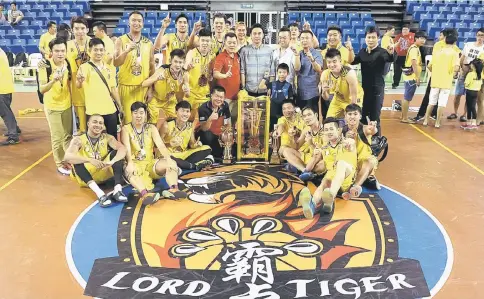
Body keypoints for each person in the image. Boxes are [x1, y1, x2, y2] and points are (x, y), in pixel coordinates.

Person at [122, 102, 187, 204]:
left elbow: (160, 145)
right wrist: (129, 162)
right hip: (135, 163)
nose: (138, 116)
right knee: (130, 171)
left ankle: (174, 189)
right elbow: (127, 148)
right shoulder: (126, 129)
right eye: (135, 113)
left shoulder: (151, 128)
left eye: (141, 113)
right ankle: (145, 194)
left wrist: (169, 159)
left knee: (171, 164)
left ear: (145, 114)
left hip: (150, 163)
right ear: (131, 114)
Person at [299, 117, 357, 217]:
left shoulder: (346, 142)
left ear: (338, 130)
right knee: (323, 183)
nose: (328, 132)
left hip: (347, 179)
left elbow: (351, 144)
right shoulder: (324, 148)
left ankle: (330, 196)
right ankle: (311, 206)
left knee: (341, 163)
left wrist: (350, 143)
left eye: (331, 129)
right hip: (332, 181)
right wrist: (314, 156)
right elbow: (307, 169)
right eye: (326, 130)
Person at [65, 115, 127, 207]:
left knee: (116, 153)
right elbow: (67, 157)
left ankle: (117, 190)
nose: (98, 125)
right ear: (88, 124)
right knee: (76, 160)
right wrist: (89, 160)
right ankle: (100, 194)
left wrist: (113, 161)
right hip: (87, 176)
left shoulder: (107, 137)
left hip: (103, 171)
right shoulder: (78, 139)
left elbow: (123, 149)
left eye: (100, 123)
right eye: (95, 122)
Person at [351, 26, 395, 133]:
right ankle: (363, 140)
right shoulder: (362, 52)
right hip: (364, 89)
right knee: (363, 116)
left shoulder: (382, 52)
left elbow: (389, 58)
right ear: (365, 38)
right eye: (369, 37)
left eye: (373, 37)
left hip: (377, 90)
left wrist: (391, 53)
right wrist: (350, 50)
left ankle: (377, 141)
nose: (370, 40)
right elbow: (352, 61)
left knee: (375, 118)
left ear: (378, 38)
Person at [38, 38, 73, 174]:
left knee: (67, 135)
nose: (60, 54)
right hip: (52, 106)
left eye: (63, 51)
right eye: (57, 51)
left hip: (67, 105)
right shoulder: (45, 65)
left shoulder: (68, 63)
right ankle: (60, 163)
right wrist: (53, 80)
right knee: (57, 137)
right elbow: (42, 89)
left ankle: (68, 158)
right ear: (51, 52)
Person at [114, 11, 155, 124]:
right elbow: (116, 63)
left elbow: (152, 66)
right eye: (133, 20)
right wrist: (126, 51)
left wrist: (151, 88)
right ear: (129, 23)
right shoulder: (120, 40)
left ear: (143, 23)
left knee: (142, 122)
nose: (136, 23)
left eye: (139, 21)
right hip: (126, 86)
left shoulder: (148, 43)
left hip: (143, 87)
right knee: (127, 122)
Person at [76, 38, 122, 138]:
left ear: (104, 51)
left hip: (110, 110)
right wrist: (79, 81)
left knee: (112, 138)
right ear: (89, 52)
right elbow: (78, 85)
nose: (99, 52)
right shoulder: (84, 67)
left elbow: (113, 89)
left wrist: (120, 106)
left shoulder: (109, 68)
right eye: (95, 50)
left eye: (101, 50)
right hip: (93, 112)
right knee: (94, 139)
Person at [412, 29, 461, 122]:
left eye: (441, 35)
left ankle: (434, 114)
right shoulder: (438, 45)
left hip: (445, 77)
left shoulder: (454, 48)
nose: (439, 37)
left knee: (440, 98)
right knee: (429, 95)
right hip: (437, 75)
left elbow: (456, 60)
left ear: (447, 36)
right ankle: (422, 114)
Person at [161, 101, 214, 170]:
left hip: (184, 154)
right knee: (166, 157)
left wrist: (196, 145)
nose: (185, 114)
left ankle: (184, 164)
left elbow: (191, 144)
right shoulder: (166, 125)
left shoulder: (190, 126)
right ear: (176, 112)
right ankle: (194, 165)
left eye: (187, 111)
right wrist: (169, 144)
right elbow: (156, 146)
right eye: (182, 111)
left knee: (207, 148)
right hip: (169, 154)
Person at [142, 49, 189, 126]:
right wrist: (156, 78)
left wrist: (187, 91)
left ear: (183, 63)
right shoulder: (162, 70)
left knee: (175, 122)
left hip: (169, 100)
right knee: (152, 124)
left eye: (180, 62)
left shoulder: (185, 74)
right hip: (156, 99)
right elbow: (144, 84)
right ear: (171, 61)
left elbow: (188, 94)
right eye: (175, 62)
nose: (178, 65)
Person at [423, 34, 460, 128]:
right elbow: (455, 68)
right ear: (455, 42)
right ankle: (437, 122)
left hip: (435, 80)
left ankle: (426, 120)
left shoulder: (437, 52)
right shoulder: (454, 53)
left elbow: (429, 66)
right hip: (446, 81)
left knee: (431, 101)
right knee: (442, 103)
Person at [281, 106, 326, 181]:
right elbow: (296, 147)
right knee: (286, 150)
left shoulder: (325, 130)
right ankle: (304, 171)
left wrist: (311, 144)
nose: (307, 118)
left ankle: (300, 169)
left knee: (323, 165)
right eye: (304, 116)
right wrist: (294, 137)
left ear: (316, 115)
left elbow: (323, 154)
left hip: (320, 159)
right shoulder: (306, 130)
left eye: (309, 115)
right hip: (309, 158)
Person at [343, 104, 380, 197]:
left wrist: (373, 127)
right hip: (350, 163)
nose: (352, 116)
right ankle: (367, 178)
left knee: (369, 161)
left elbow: (372, 130)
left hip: (363, 161)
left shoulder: (364, 129)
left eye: (355, 114)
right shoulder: (342, 131)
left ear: (360, 116)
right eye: (349, 114)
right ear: (345, 116)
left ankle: (355, 187)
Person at [448, 28, 484, 121]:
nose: (480, 37)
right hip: (464, 71)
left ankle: (464, 114)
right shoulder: (468, 45)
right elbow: (462, 57)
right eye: (479, 35)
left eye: (482, 35)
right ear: (476, 35)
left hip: (474, 75)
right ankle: (455, 112)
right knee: (458, 94)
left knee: (469, 96)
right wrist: (459, 69)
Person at [63, 17, 91, 134]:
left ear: (87, 29)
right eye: (77, 28)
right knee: (79, 108)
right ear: (72, 30)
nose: (80, 31)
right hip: (74, 82)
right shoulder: (66, 45)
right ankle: (82, 130)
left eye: (82, 28)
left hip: (91, 81)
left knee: (92, 108)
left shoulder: (93, 43)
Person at [321, 48, 364, 119]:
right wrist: (324, 91)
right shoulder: (325, 74)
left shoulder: (349, 73)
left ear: (340, 61)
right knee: (329, 120)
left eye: (334, 61)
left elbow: (354, 95)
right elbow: (326, 98)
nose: (331, 65)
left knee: (352, 120)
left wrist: (351, 113)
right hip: (338, 98)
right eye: (329, 62)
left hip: (353, 98)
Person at [184, 28, 215, 121]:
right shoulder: (191, 53)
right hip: (191, 93)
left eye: (207, 41)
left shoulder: (213, 55)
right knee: (188, 120)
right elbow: (184, 69)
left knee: (204, 121)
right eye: (203, 40)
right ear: (199, 41)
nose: (205, 43)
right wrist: (188, 67)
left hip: (204, 95)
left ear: (211, 41)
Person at [197, 86, 232, 159]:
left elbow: (228, 121)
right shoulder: (203, 108)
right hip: (205, 134)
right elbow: (203, 129)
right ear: (211, 96)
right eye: (217, 96)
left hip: (218, 134)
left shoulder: (225, 105)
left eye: (221, 97)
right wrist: (210, 119)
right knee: (207, 135)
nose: (219, 99)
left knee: (232, 144)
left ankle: (221, 154)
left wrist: (226, 134)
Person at [240, 23, 274, 96]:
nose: (257, 36)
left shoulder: (269, 50)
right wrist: (243, 88)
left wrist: (270, 87)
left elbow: (272, 72)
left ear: (263, 35)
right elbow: (242, 70)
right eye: (254, 33)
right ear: (251, 36)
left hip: (265, 91)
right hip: (248, 90)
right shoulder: (244, 51)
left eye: (259, 33)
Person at [213, 32, 241, 123]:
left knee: (234, 121)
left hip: (236, 97)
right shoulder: (221, 57)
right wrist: (224, 75)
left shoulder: (237, 56)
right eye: (229, 43)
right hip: (225, 98)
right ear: (225, 43)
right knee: (224, 123)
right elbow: (215, 73)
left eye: (234, 42)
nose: (232, 45)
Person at [400, 31, 427, 123]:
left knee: (407, 97)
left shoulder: (415, 48)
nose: (423, 41)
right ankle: (404, 118)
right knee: (407, 97)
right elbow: (414, 63)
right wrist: (418, 77)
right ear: (416, 38)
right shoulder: (414, 49)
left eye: (424, 39)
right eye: (421, 38)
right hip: (411, 77)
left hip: (410, 76)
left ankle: (403, 116)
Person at [294, 30, 323, 110]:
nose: (304, 40)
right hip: (300, 91)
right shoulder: (299, 53)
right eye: (302, 38)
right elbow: (296, 69)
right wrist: (296, 55)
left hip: (312, 92)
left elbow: (319, 69)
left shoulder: (317, 53)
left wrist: (311, 59)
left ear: (312, 40)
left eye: (307, 38)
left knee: (311, 116)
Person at [261, 63, 294, 129]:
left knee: (283, 130)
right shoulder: (272, 84)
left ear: (287, 73)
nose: (282, 74)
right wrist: (265, 77)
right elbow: (261, 86)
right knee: (272, 130)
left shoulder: (289, 85)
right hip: (272, 113)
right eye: (280, 72)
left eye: (284, 72)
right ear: (277, 73)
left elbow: (291, 100)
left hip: (283, 114)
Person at [0, 47, 20, 146]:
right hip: (6, 86)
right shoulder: (1, 51)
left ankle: (13, 136)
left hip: (1, 88)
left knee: (4, 112)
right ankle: (15, 128)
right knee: (6, 110)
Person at [462, 59, 483, 130]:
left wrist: (466, 85)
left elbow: (466, 83)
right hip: (476, 92)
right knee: (473, 106)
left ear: (474, 66)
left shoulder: (470, 74)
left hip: (469, 91)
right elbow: (480, 84)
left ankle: (469, 122)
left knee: (469, 107)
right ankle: (473, 122)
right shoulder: (479, 75)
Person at [392, 25, 415, 89]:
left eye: (406, 29)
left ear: (409, 30)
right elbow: (393, 44)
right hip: (399, 56)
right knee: (397, 71)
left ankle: (409, 84)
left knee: (408, 71)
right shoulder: (398, 36)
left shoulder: (413, 35)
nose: (404, 31)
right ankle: (395, 84)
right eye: (403, 29)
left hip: (407, 56)